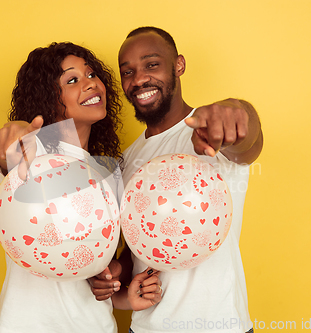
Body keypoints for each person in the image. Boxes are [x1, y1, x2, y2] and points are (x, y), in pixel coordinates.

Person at [90, 26, 263, 333]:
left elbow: (247, 143)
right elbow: (137, 244)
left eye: (151, 64)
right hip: (146, 327)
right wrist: (116, 272)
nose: (139, 78)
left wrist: (237, 112)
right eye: (127, 71)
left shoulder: (212, 130)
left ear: (179, 65)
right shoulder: (127, 160)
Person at [0, 42, 162, 333]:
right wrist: (16, 131)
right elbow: (13, 156)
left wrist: (117, 288)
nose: (90, 84)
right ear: (49, 98)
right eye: (72, 80)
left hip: (95, 326)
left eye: (92, 75)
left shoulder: (110, 173)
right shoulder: (34, 152)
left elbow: (100, 265)